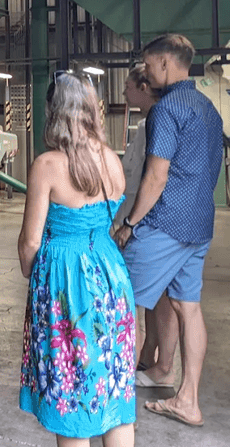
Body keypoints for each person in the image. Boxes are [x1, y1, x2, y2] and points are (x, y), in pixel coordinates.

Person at [18, 71, 135, 447]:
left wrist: (32, 274)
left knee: (71, 396)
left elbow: (30, 242)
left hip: (66, 283)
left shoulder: (47, 165)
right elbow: (110, 216)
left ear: (53, 111)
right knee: (113, 389)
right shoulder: (111, 160)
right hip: (111, 276)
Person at [113, 34, 223, 428]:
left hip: (165, 223)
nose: (145, 73)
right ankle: (187, 400)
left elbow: (156, 176)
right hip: (199, 224)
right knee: (187, 307)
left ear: (163, 63)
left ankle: (112, 394)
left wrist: (129, 224)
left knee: (119, 293)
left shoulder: (166, 109)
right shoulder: (209, 109)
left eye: (148, 64)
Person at [116, 65, 170, 377]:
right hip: (138, 216)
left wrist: (130, 223)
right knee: (151, 295)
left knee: (145, 293)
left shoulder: (156, 124)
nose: (124, 92)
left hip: (145, 220)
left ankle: (151, 360)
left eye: (128, 86)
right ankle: (148, 354)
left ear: (144, 88)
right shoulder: (146, 123)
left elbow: (149, 178)